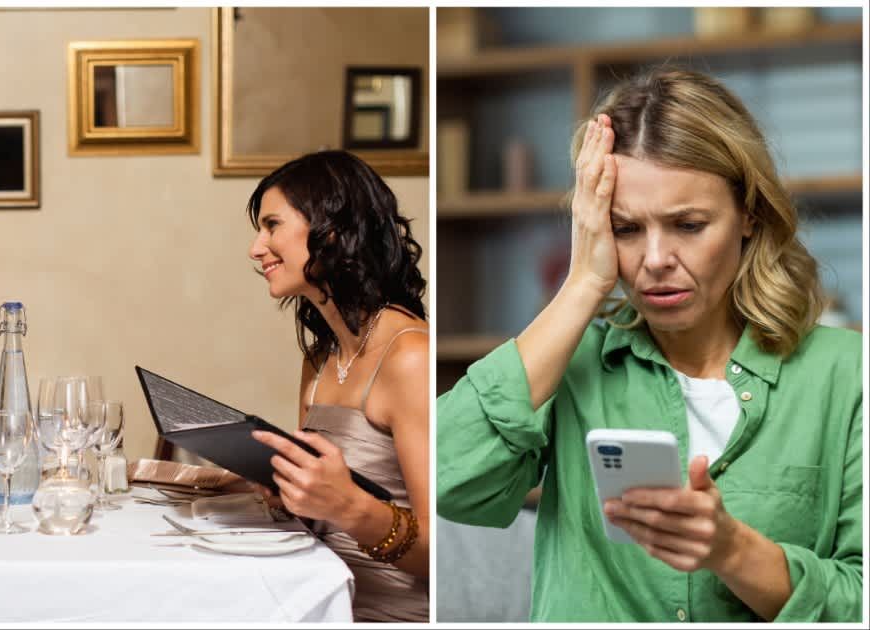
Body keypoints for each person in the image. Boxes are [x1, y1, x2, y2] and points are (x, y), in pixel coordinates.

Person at [437, 69, 861, 622]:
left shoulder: (846, 374)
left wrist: (733, 551)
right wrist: (582, 284)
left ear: (749, 216)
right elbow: (446, 478)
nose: (656, 259)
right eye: (626, 229)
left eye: (687, 225)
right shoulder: (571, 365)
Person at [246, 150, 430, 622]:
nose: (256, 247)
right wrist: (289, 492)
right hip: (321, 602)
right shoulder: (320, 359)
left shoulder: (410, 357)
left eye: (271, 226)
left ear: (330, 230)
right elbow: (322, 524)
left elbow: (443, 550)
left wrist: (348, 506)